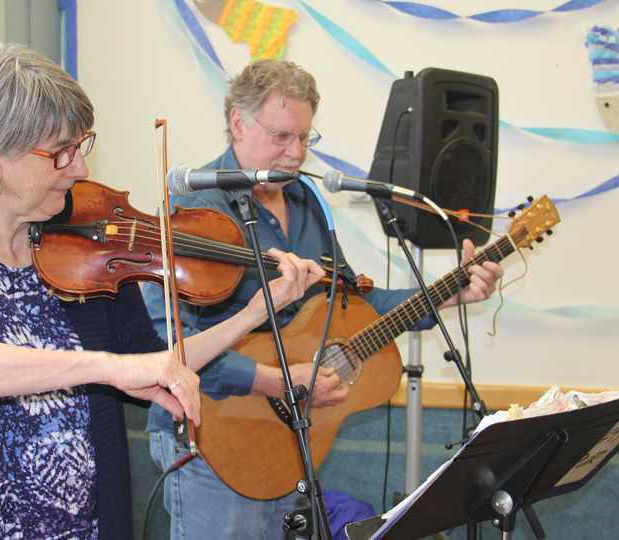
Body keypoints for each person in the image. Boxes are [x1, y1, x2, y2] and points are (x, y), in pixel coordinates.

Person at [0, 45, 324, 540]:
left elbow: (158, 363)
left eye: (79, 147)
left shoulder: (90, 243)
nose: (80, 169)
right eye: (59, 152)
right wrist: (102, 365)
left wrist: (256, 311)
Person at [142, 59, 504, 539]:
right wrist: (276, 380)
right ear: (237, 123)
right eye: (280, 137)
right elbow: (168, 340)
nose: (295, 154)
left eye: (304, 138)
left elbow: (352, 306)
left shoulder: (307, 201)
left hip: (288, 439)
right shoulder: (193, 209)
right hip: (213, 434)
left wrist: (448, 293)